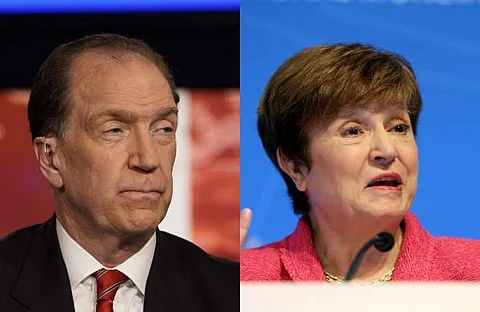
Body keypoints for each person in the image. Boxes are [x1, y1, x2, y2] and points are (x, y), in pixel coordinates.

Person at [0, 34, 238, 311]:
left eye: (163, 129)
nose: (148, 159)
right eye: (114, 130)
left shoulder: (231, 294)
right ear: (51, 159)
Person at [240, 43, 480, 283]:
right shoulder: (249, 281)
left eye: (398, 128)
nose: (387, 150)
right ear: (295, 166)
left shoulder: (471, 273)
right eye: (353, 131)